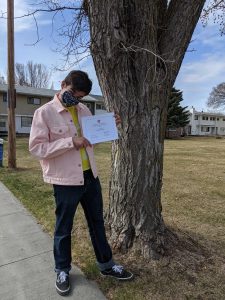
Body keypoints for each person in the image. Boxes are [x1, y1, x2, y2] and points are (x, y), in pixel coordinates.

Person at [29, 70, 133, 296]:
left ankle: (106, 265)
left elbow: (91, 138)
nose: (76, 100)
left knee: (97, 223)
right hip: (65, 181)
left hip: (90, 177)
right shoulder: (44, 113)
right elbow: (37, 149)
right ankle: (62, 270)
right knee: (63, 228)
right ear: (63, 84)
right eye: (73, 94)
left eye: (81, 96)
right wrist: (69, 142)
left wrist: (109, 124)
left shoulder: (84, 109)